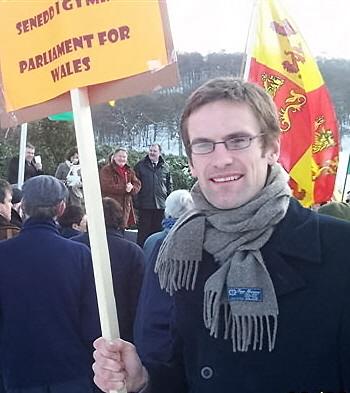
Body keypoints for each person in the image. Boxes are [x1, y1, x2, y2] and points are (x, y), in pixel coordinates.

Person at [92, 78, 350, 393]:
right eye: (203, 144)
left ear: (270, 148)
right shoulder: (183, 252)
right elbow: (187, 372)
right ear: (191, 161)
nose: (221, 158)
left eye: (238, 140)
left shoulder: (340, 251)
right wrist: (144, 380)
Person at [0, 175, 101, 392]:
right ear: (61, 208)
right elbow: (92, 320)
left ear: (23, 206)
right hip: (71, 370)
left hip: (19, 370)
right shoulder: (80, 255)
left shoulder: (3, 254)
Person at [72, 197, 145, 343]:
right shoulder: (132, 251)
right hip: (122, 332)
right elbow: (140, 298)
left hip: (78, 332)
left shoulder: (72, 248)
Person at [134, 190, 194, 365]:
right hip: (169, 341)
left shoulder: (152, 241)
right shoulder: (190, 244)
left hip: (147, 334)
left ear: (167, 212)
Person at [134, 144, 173, 246]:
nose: (152, 153)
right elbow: (135, 185)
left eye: (154, 151)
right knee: (143, 233)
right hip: (145, 206)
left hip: (160, 206)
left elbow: (169, 186)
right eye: (150, 150)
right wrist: (137, 203)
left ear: (159, 152)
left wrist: (168, 202)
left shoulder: (165, 167)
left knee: (157, 233)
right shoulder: (140, 166)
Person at [100, 148, 141, 229]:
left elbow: (138, 184)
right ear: (114, 157)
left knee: (122, 229)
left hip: (126, 206)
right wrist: (125, 189)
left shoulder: (129, 171)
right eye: (120, 156)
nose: (122, 159)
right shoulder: (106, 170)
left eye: (124, 157)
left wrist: (132, 188)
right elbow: (106, 186)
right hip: (110, 206)